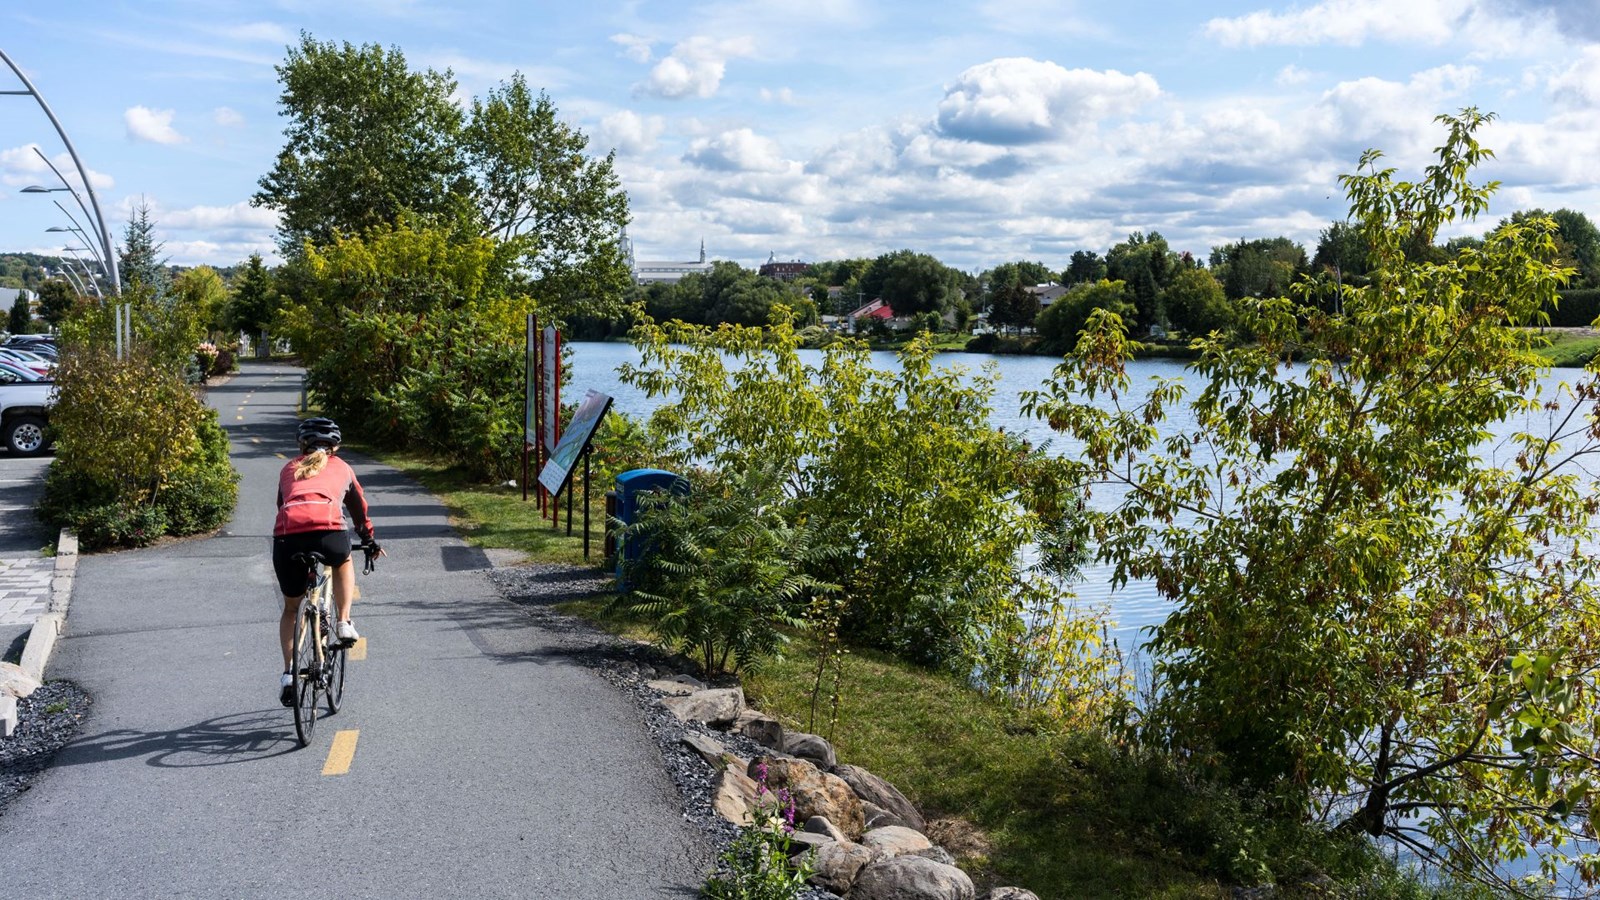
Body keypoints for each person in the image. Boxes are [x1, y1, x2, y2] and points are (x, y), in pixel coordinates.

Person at [272, 417, 382, 706]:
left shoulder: (289, 468)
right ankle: (343, 622)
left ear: (301, 445)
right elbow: (358, 509)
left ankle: (289, 674)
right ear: (336, 447)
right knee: (343, 560)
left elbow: (282, 504)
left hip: (287, 539)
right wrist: (368, 538)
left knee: (291, 609)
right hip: (328, 534)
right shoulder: (342, 467)